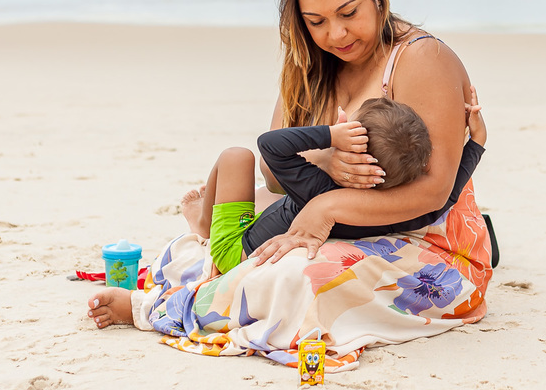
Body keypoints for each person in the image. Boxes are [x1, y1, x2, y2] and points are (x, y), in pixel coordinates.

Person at [87, 0, 493, 372]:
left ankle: (156, 309)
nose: (336, 34)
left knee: (296, 277)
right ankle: (192, 289)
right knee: (229, 246)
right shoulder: (310, 62)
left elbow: (435, 191)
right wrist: (324, 159)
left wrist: (330, 205)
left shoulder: (420, 58)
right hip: (328, 222)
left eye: (348, 12)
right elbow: (275, 175)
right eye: (316, 21)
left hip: (420, 237)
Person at [182, 97, 439, 275]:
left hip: (234, 251)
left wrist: (330, 137)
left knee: (236, 156)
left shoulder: (318, 187)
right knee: (274, 200)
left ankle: (204, 223)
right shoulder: (388, 210)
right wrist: (475, 145)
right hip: (272, 225)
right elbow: (444, 199)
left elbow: (270, 145)